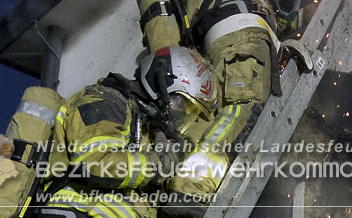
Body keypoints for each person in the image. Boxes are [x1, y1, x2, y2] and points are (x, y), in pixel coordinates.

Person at [149, 0, 309, 196]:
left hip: (228, 44)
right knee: (241, 108)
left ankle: (188, 184)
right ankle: (193, 186)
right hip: (244, 37)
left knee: (220, 120)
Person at [36, 45, 217, 218]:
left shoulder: (147, 131)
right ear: (161, 81)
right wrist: (160, 163)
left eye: (190, 112)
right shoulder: (106, 101)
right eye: (182, 102)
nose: (182, 112)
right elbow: (98, 164)